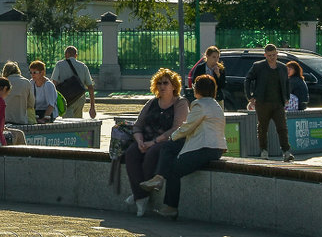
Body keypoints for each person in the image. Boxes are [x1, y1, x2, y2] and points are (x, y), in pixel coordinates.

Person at [138, 74, 228, 219]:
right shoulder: (214, 104)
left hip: (204, 148)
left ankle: (171, 206)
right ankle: (159, 178)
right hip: (214, 148)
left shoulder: (200, 105)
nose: (192, 89)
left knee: (173, 169)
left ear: (198, 89)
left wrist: (172, 137)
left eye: (194, 87)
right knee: (169, 148)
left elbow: (186, 128)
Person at [125, 68, 189, 217]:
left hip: (166, 142)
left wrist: (153, 142)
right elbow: (138, 125)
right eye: (159, 83)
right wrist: (140, 141)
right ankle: (141, 196)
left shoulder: (181, 103)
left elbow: (177, 128)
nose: (162, 86)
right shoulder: (152, 102)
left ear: (174, 85)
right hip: (146, 140)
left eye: (166, 83)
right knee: (131, 153)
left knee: (152, 154)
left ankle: (138, 196)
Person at [244, 43, 293, 161]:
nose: (272, 57)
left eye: (274, 55)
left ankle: (286, 152)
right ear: (265, 55)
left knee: (282, 127)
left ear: (277, 54)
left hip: (278, 103)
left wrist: (286, 97)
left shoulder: (282, 67)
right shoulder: (258, 66)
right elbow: (248, 79)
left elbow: (286, 83)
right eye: (269, 55)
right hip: (262, 102)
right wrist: (250, 96)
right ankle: (264, 151)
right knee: (262, 128)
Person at [51, 46, 96, 118]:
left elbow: (54, 83)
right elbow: (90, 87)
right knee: (78, 123)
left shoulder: (59, 65)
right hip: (80, 98)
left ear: (66, 54)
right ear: (76, 55)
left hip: (66, 98)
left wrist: (52, 102)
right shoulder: (83, 66)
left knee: (68, 124)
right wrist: (92, 107)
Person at [1, 61, 37, 125]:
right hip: (21, 120)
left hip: (5, 120)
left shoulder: (2, 83)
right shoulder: (26, 82)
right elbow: (31, 103)